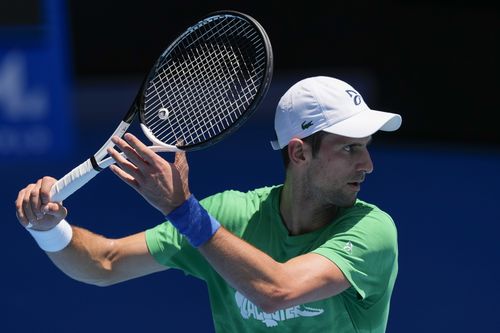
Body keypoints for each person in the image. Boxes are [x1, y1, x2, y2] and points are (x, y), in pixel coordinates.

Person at [15, 76, 402, 332]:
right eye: (350, 148)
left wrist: (184, 213)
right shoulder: (230, 216)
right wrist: (48, 229)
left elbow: (277, 291)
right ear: (299, 153)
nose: (366, 164)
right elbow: (105, 263)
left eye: (365, 148)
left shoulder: (371, 231)